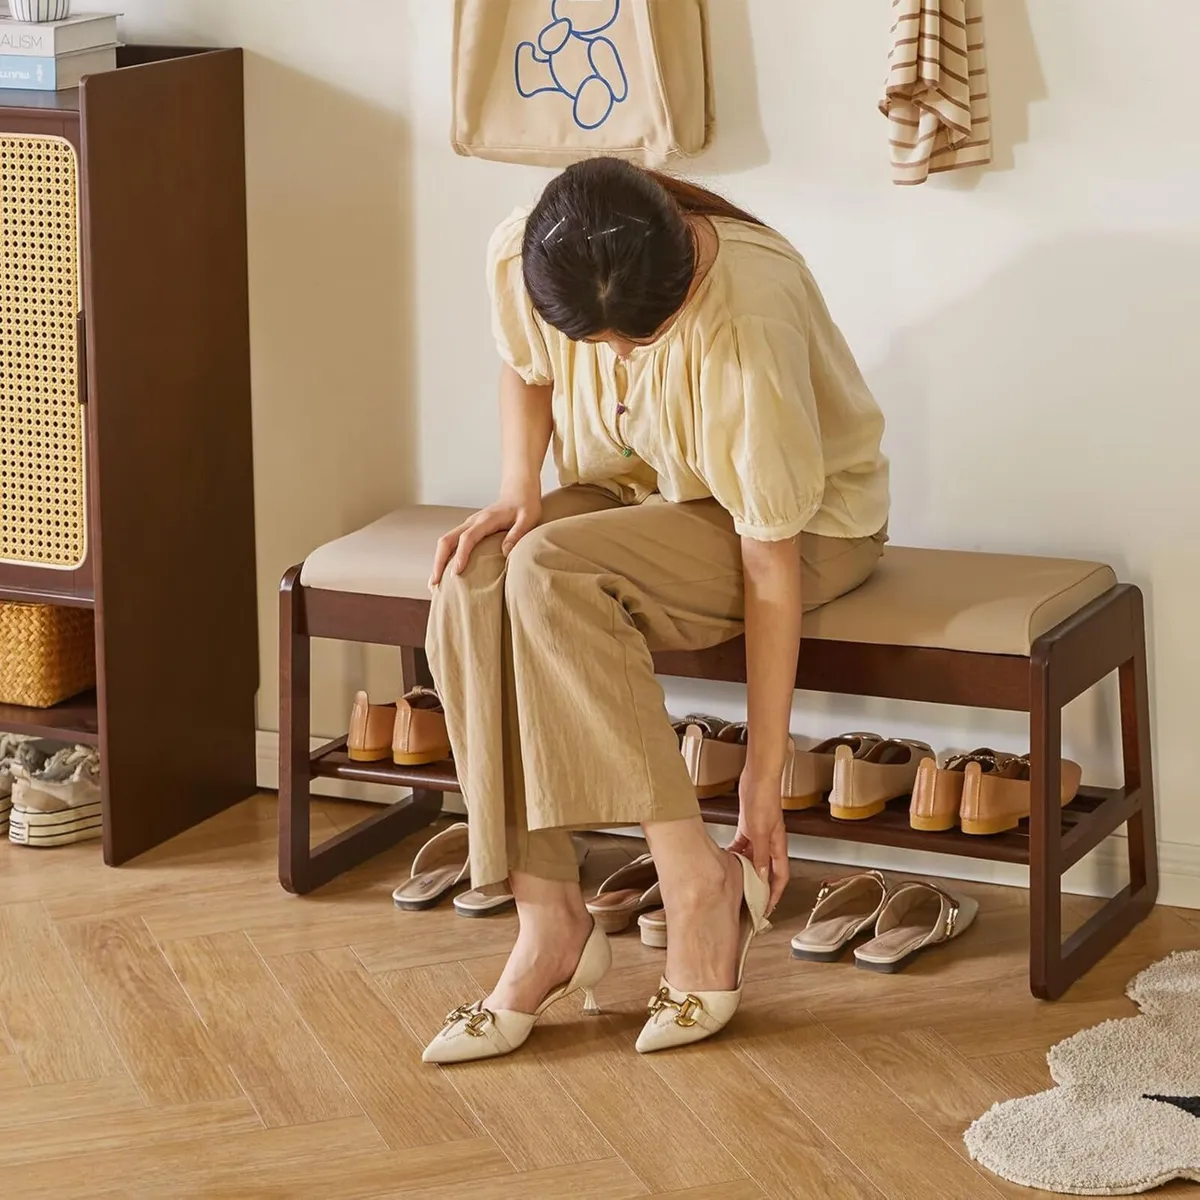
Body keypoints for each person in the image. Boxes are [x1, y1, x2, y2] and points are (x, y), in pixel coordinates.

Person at [420, 157, 889, 1063]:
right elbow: (525, 365)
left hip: (801, 530)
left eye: (637, 340)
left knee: (549, 570)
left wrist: (763, 774)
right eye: (597, 343)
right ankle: (548, 917)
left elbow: (768, 559)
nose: (618, 360)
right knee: (475, 575)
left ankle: (701, 889)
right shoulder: (532, 249)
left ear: (679, 279)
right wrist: (520, 485)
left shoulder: (747, 311)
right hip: (638, 496)